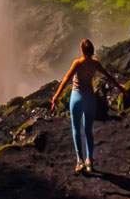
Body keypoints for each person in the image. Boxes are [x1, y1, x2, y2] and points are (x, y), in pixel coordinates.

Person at [50, 38, 125, 174]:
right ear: (92, 50)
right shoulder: (95, 63)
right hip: (90, 98)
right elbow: (108, 76)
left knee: (76, 129)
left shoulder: (77, 63)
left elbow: (66, 79)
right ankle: (89, 161)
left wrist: (55, 97)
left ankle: (79, 161)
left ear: (82, 50)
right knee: (88, 131)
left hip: (77, 97)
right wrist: (120, 87)